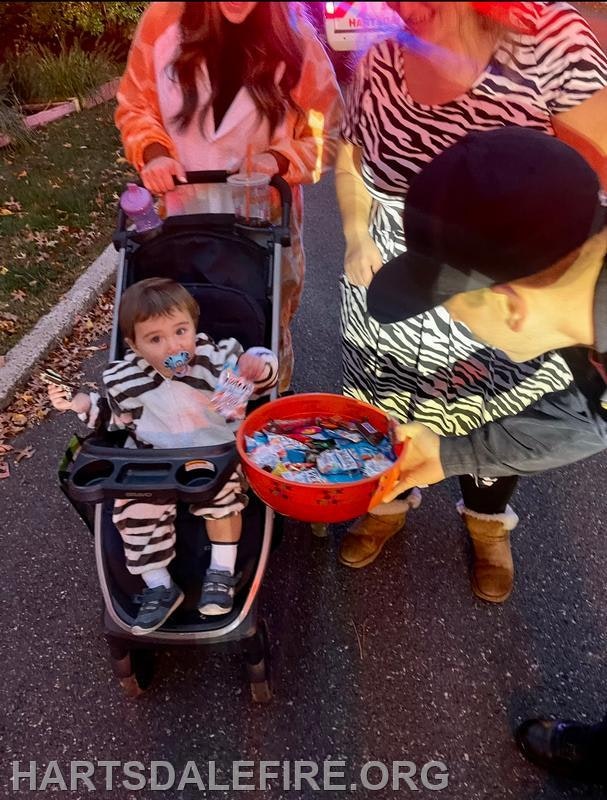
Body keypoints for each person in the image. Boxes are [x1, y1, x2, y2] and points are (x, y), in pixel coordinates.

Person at [335, 1, 607, 602]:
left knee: (503, 398)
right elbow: (591, 417)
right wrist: (359, 238)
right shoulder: (379, 55)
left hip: (508, 262)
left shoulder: (548, 39)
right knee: (391, 402)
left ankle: (486, 520)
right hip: (439, 261)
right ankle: (390, 500)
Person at [364, 126, 607, 782]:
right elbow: (586, 419)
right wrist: (448, 452)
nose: (454, 329)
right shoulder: (584, 301)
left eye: (453, 311)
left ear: (508, 304)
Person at [114, 1, 343, 394]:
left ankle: (270, 403)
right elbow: (136, 105)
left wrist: (280, 159)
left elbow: (328, 133)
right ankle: (184, 411)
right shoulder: (163, 22)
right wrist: (153, 150)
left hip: (262, 222)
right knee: (182, 321)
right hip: (183, 216)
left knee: (263, 324)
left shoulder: (296, 40)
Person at [48, 278, 278, 634]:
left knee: (224, 501)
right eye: (155, 339)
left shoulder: (217, 360)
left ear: (194, 326)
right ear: (134, 345)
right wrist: (79, 403)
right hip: (152, 462)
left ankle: (221, 570)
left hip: (212, 456)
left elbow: (259, 377)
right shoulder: (125, 379)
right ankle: (159, 586)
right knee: (134, 513)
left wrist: (257, 365)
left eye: (181, 331)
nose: (173, 345)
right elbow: (115, 420)